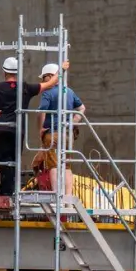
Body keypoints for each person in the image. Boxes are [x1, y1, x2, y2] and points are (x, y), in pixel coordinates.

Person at [0, 57, 56, 196]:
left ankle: (5, 192)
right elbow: (49, 84)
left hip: (0, 130)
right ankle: (6, 193)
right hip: (17, 131)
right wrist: (62, 69)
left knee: (4, 163)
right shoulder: (25, 87)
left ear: (4, 72)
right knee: (13, 163)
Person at [34, 62, 83, 193]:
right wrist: (72, 123)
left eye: (44, 77)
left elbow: (41, 111)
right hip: (68, 135)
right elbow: (81, 109)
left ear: (50, 76)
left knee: (53, 165)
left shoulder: (47, 92)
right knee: (66, 166)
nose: (43, 80)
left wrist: (41, 128)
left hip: (53, 133)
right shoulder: (69, 91)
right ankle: (67, 197)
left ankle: (56, 195)